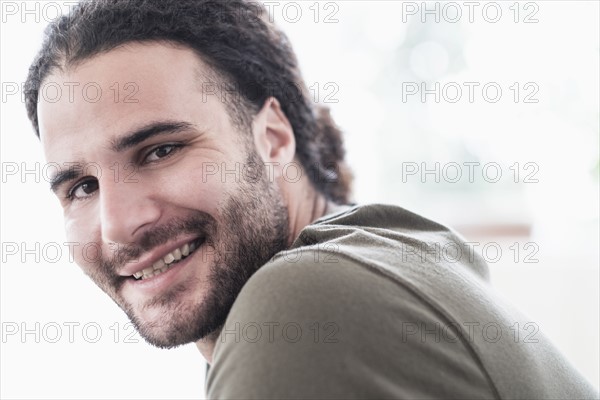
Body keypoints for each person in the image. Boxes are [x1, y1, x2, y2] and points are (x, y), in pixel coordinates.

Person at [24, 0, 597, 398]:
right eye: (81, 187)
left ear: (271, 137)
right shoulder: (379, 261)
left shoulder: (305, 300)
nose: (119, 223)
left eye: (160, 150)